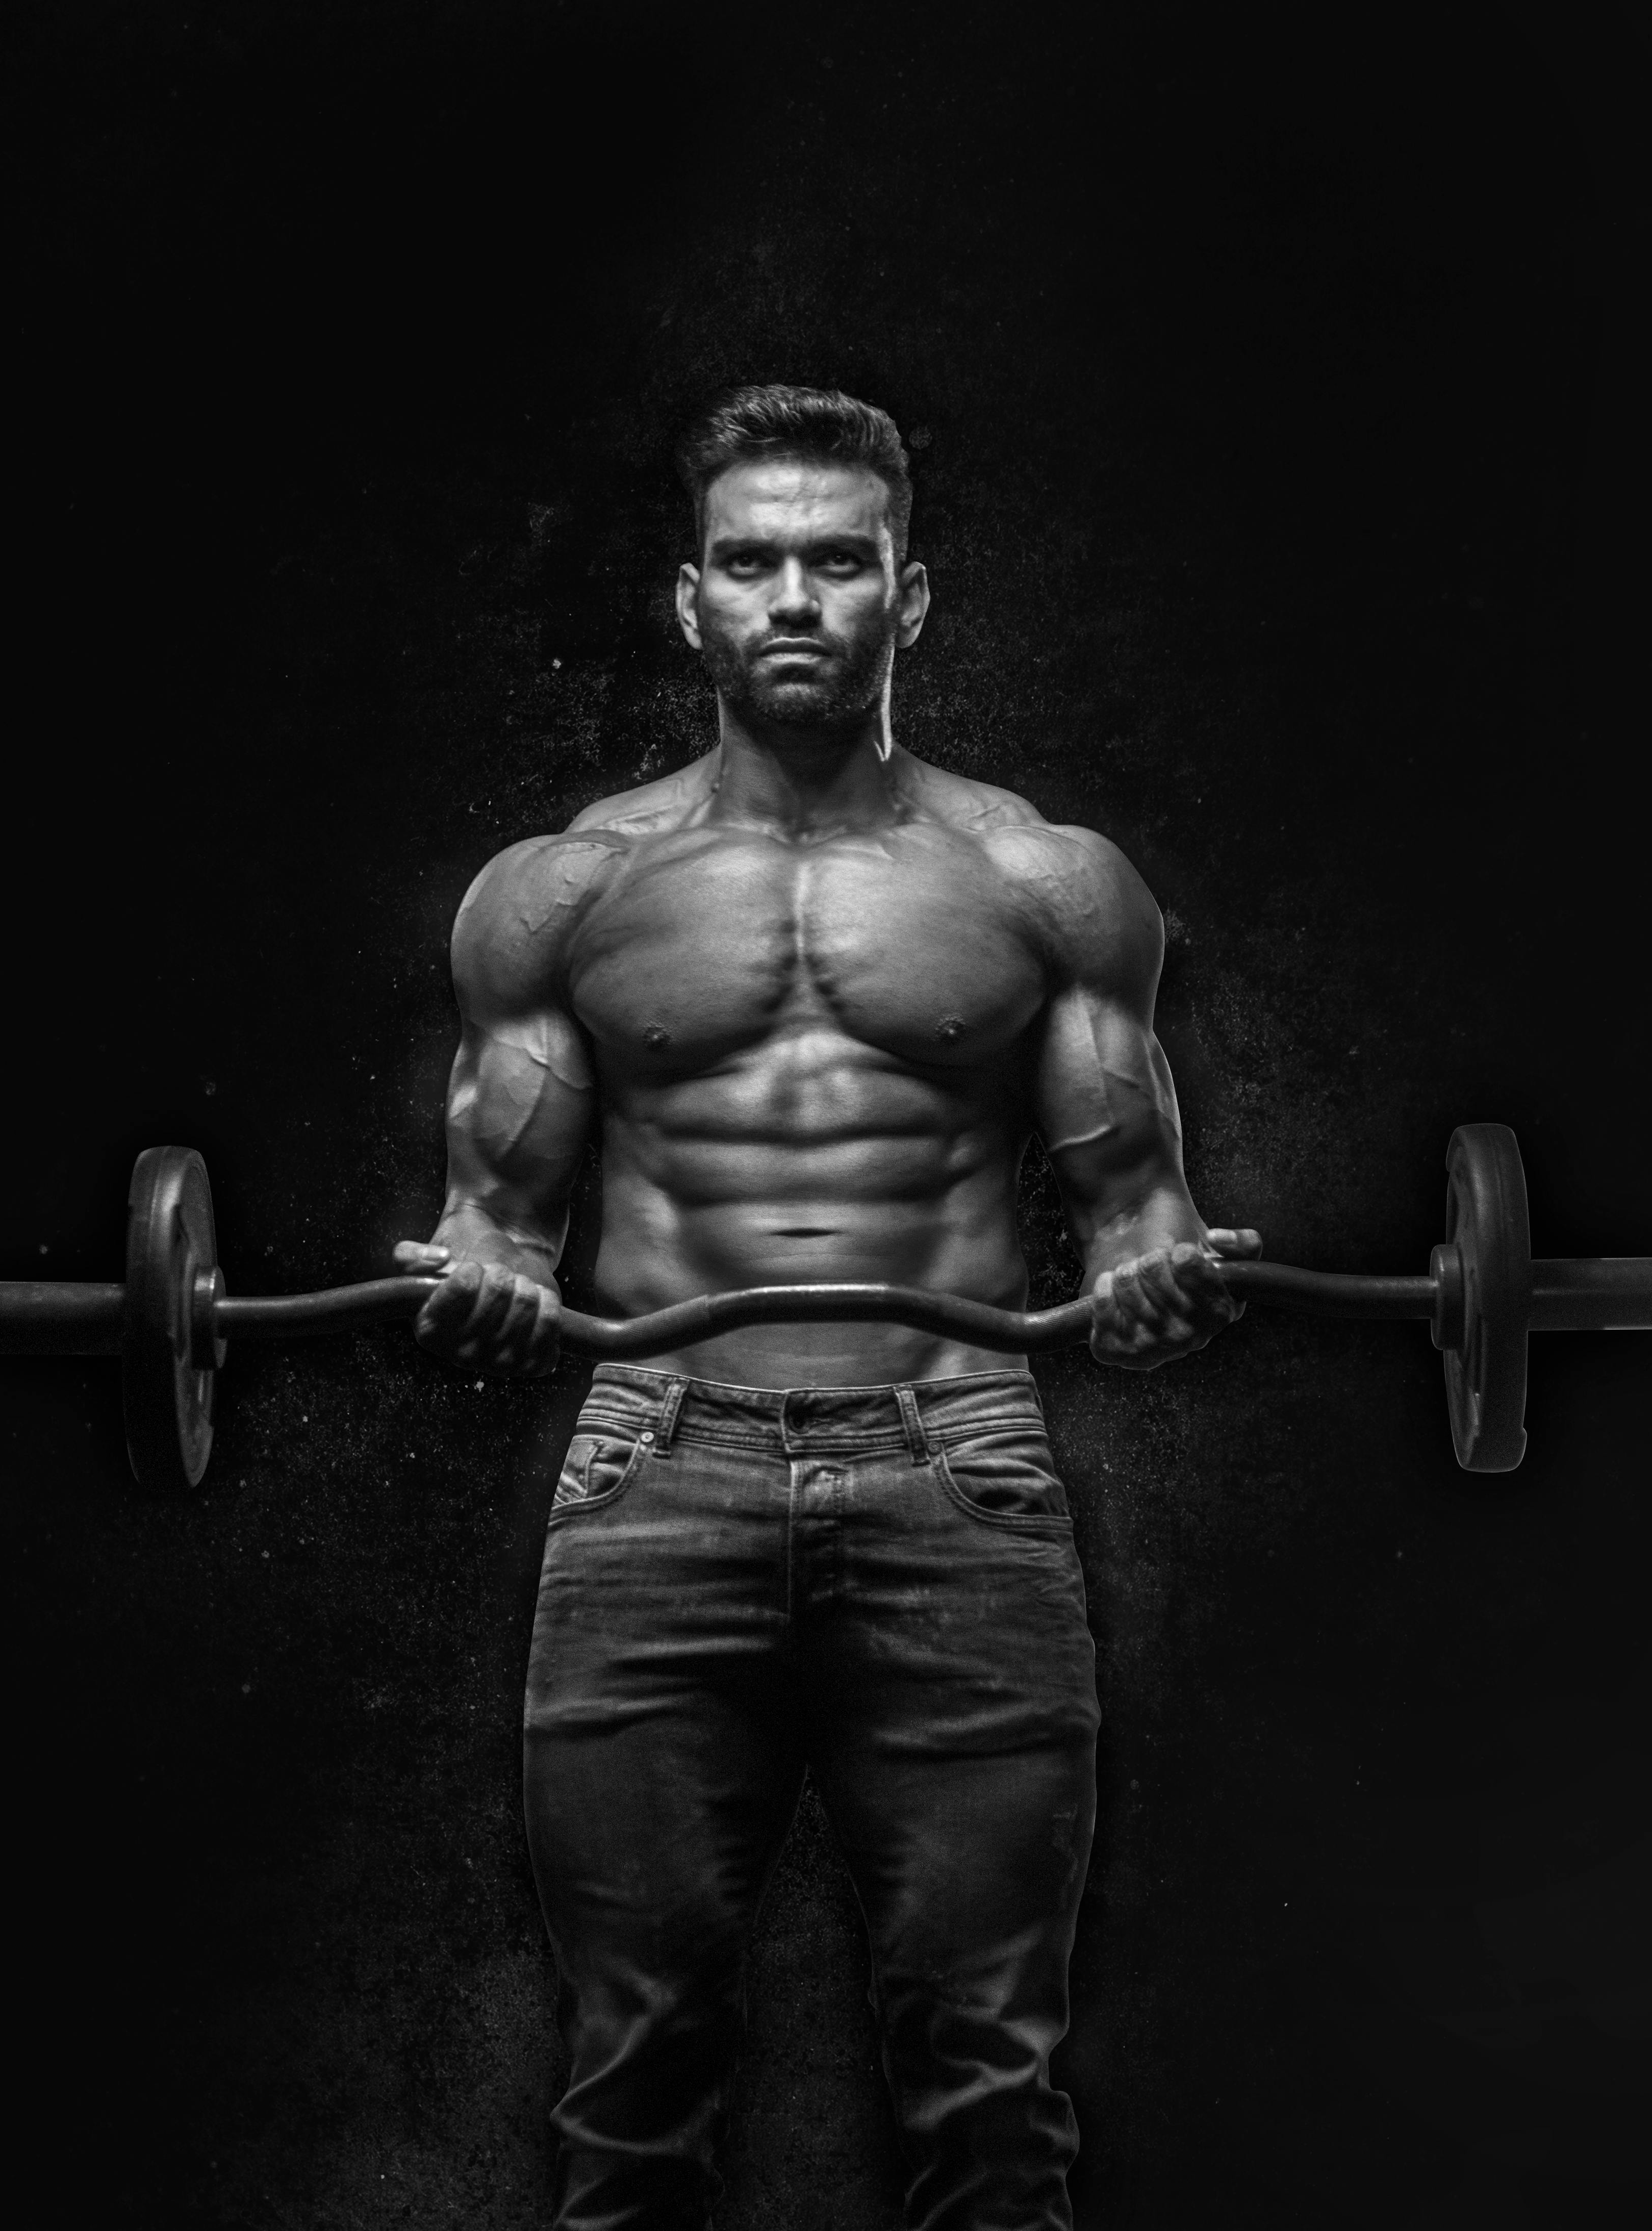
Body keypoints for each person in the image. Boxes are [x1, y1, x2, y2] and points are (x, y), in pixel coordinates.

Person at [396, 384, 1261, 2229]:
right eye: (751, 561)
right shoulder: (565, 893)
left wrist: (1154, 1281)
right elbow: (497, 1219)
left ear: (912, 598)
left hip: (964, 1468)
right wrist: (484, 1279)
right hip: (655, 1470)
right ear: (688, 601)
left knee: (991, 2073)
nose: (794, 598)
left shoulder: (1044, 882)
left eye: (838, 561)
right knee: (634, 2069)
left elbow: (1135, 1209)